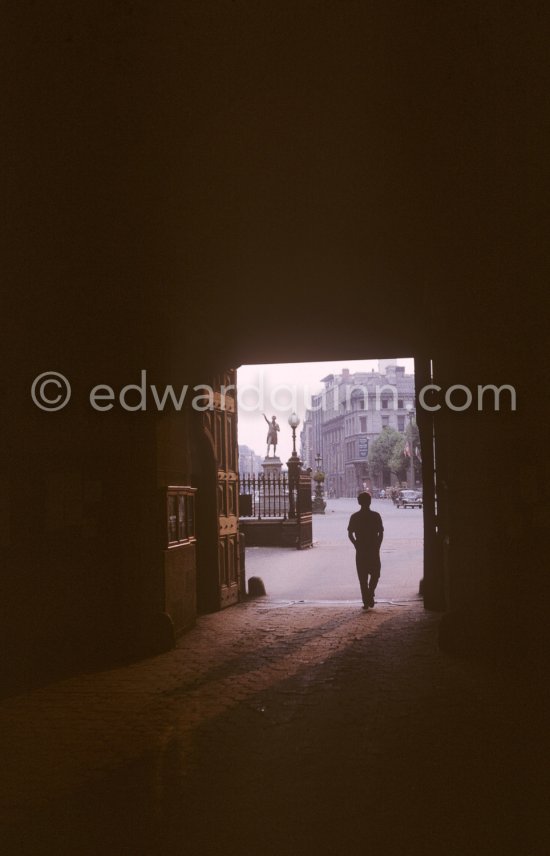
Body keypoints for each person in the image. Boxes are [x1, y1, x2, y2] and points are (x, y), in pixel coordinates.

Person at [347, 492, 384, 609]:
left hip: (361, 549)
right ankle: (369, 594)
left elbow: (350, 534)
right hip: (373, 548)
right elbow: (381, 533)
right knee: (376, 574)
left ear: (359, 502)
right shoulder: (376, 516)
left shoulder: (354, 517)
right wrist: (378, 544)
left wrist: (355, 544)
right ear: (370, 501)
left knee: (362, 577)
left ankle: (366, 599)